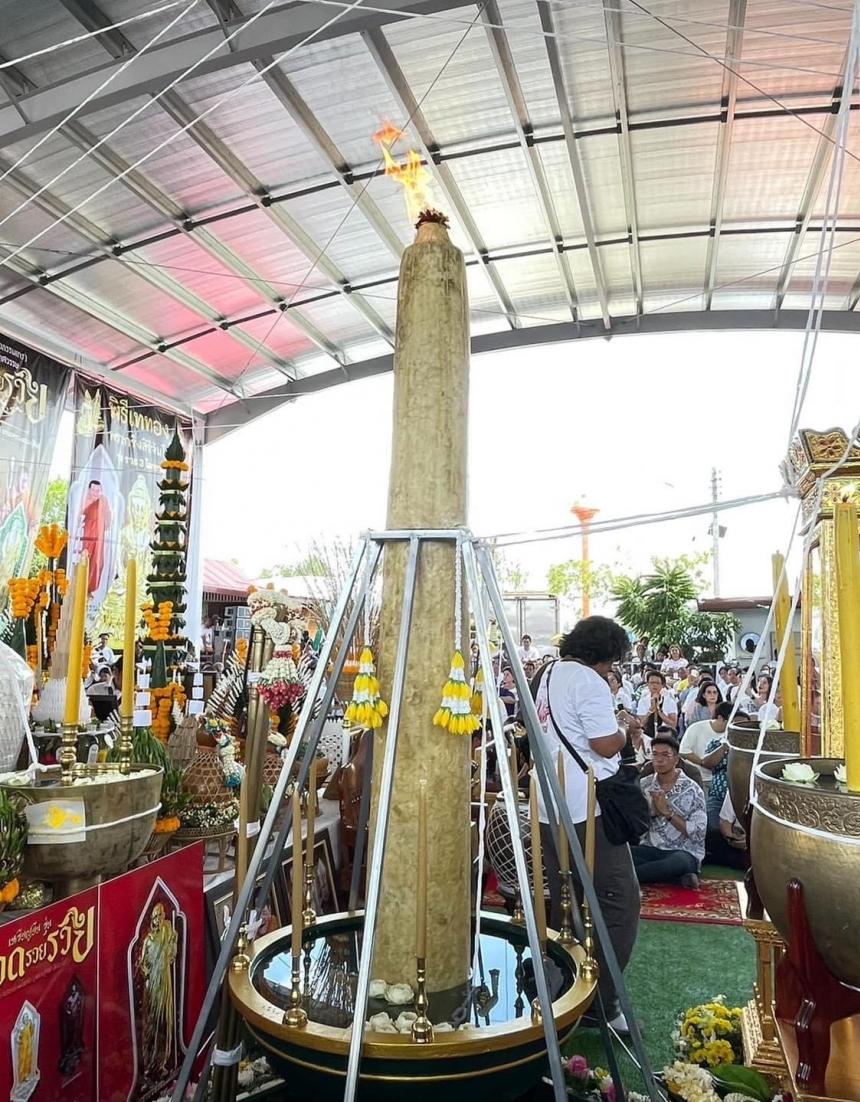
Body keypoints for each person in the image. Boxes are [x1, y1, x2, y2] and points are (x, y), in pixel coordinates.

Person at [533, 615, 640, 1034]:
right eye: (613, 662)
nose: (611, 671)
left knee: (568, 901)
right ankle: (601, 1001)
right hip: (583, 808)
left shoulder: (546, 673)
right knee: (618, 903)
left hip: (547, 803)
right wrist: (625, 731)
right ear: (605, 655)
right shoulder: (589, 681)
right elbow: (601, 743)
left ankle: (567, 992)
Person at [633, 734, 707, 888]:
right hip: (650, 848)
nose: (659, 760)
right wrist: (651, 814)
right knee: (622, 854)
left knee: (677, 863)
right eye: (655, 754)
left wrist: (668, 814)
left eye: (665, 755)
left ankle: (628, 877)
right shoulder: (644, 785)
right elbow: (635, 828)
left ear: (676, 759)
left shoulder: (693, 790)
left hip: (683, 851)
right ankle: (676, 879)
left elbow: (699, 833)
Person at [679, 701, 733, 798]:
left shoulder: (731, 734)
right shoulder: (696, 727)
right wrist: (704, 763)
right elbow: (684, 752)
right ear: (720, 718)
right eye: (730, 721)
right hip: (697, 778)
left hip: (719, 781)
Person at [79, 479, 112, 595]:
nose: (95, 493)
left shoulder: (103, 500)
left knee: (98, 562)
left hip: (99, 538)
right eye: (93, 490)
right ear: (89, 490)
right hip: (88, 536)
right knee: (86, 559)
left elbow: (108, 518)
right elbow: (79, 514)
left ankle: (91, 590)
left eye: (98, 490)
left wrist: (105, 525)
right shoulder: (85, 500)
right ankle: (83, 587)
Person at [636, 670, 678, 754]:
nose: (654, 685)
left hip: (665, 735)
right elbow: (641, 724)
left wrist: (659, 712)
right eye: (651, 683)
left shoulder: (669, 701)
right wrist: (651, 710)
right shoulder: (643, 701)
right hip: (647, 736)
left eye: (657, 683)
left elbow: (673, 724)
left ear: (662, 685)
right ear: (647, 684)